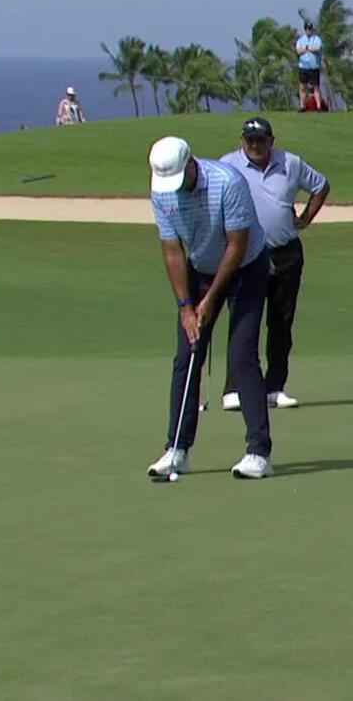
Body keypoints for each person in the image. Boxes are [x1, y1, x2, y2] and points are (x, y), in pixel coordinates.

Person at [145, 136, 275, 480]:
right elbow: (172, 250)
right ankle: (177, 449)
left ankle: (259, 452)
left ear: (191, 163)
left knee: (241, 354)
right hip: (200, 268)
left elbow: (237, 245)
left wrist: (211, 299)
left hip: (246, 267)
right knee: (187, 353)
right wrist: (186, 307)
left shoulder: (228, 183)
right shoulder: (161, 190)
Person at [217, 117, 331, 412]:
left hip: (286, 254)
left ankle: (274, 387)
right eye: (250, 140)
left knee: (281, 322)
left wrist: (305, 218)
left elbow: (320, 186)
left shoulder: (290, 163)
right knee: (244, 323)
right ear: (242, 141)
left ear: (271, 140)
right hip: (245, 257)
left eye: (261, 140)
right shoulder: (227, 165)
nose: (255, 145)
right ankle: (234, 388)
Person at [295, 22, 325, 112]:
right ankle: (302, 106)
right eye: (307, 29)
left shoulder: (317, 39)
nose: (309, 30)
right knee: (302, 87)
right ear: (305, 30)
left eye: (310, 29)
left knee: (316, 87)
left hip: (314, 66)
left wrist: (306, 48)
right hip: (303, 66)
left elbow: (317, 48)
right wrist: (308, 48)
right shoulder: (300, 40)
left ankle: (319, 106)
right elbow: (298, 51)